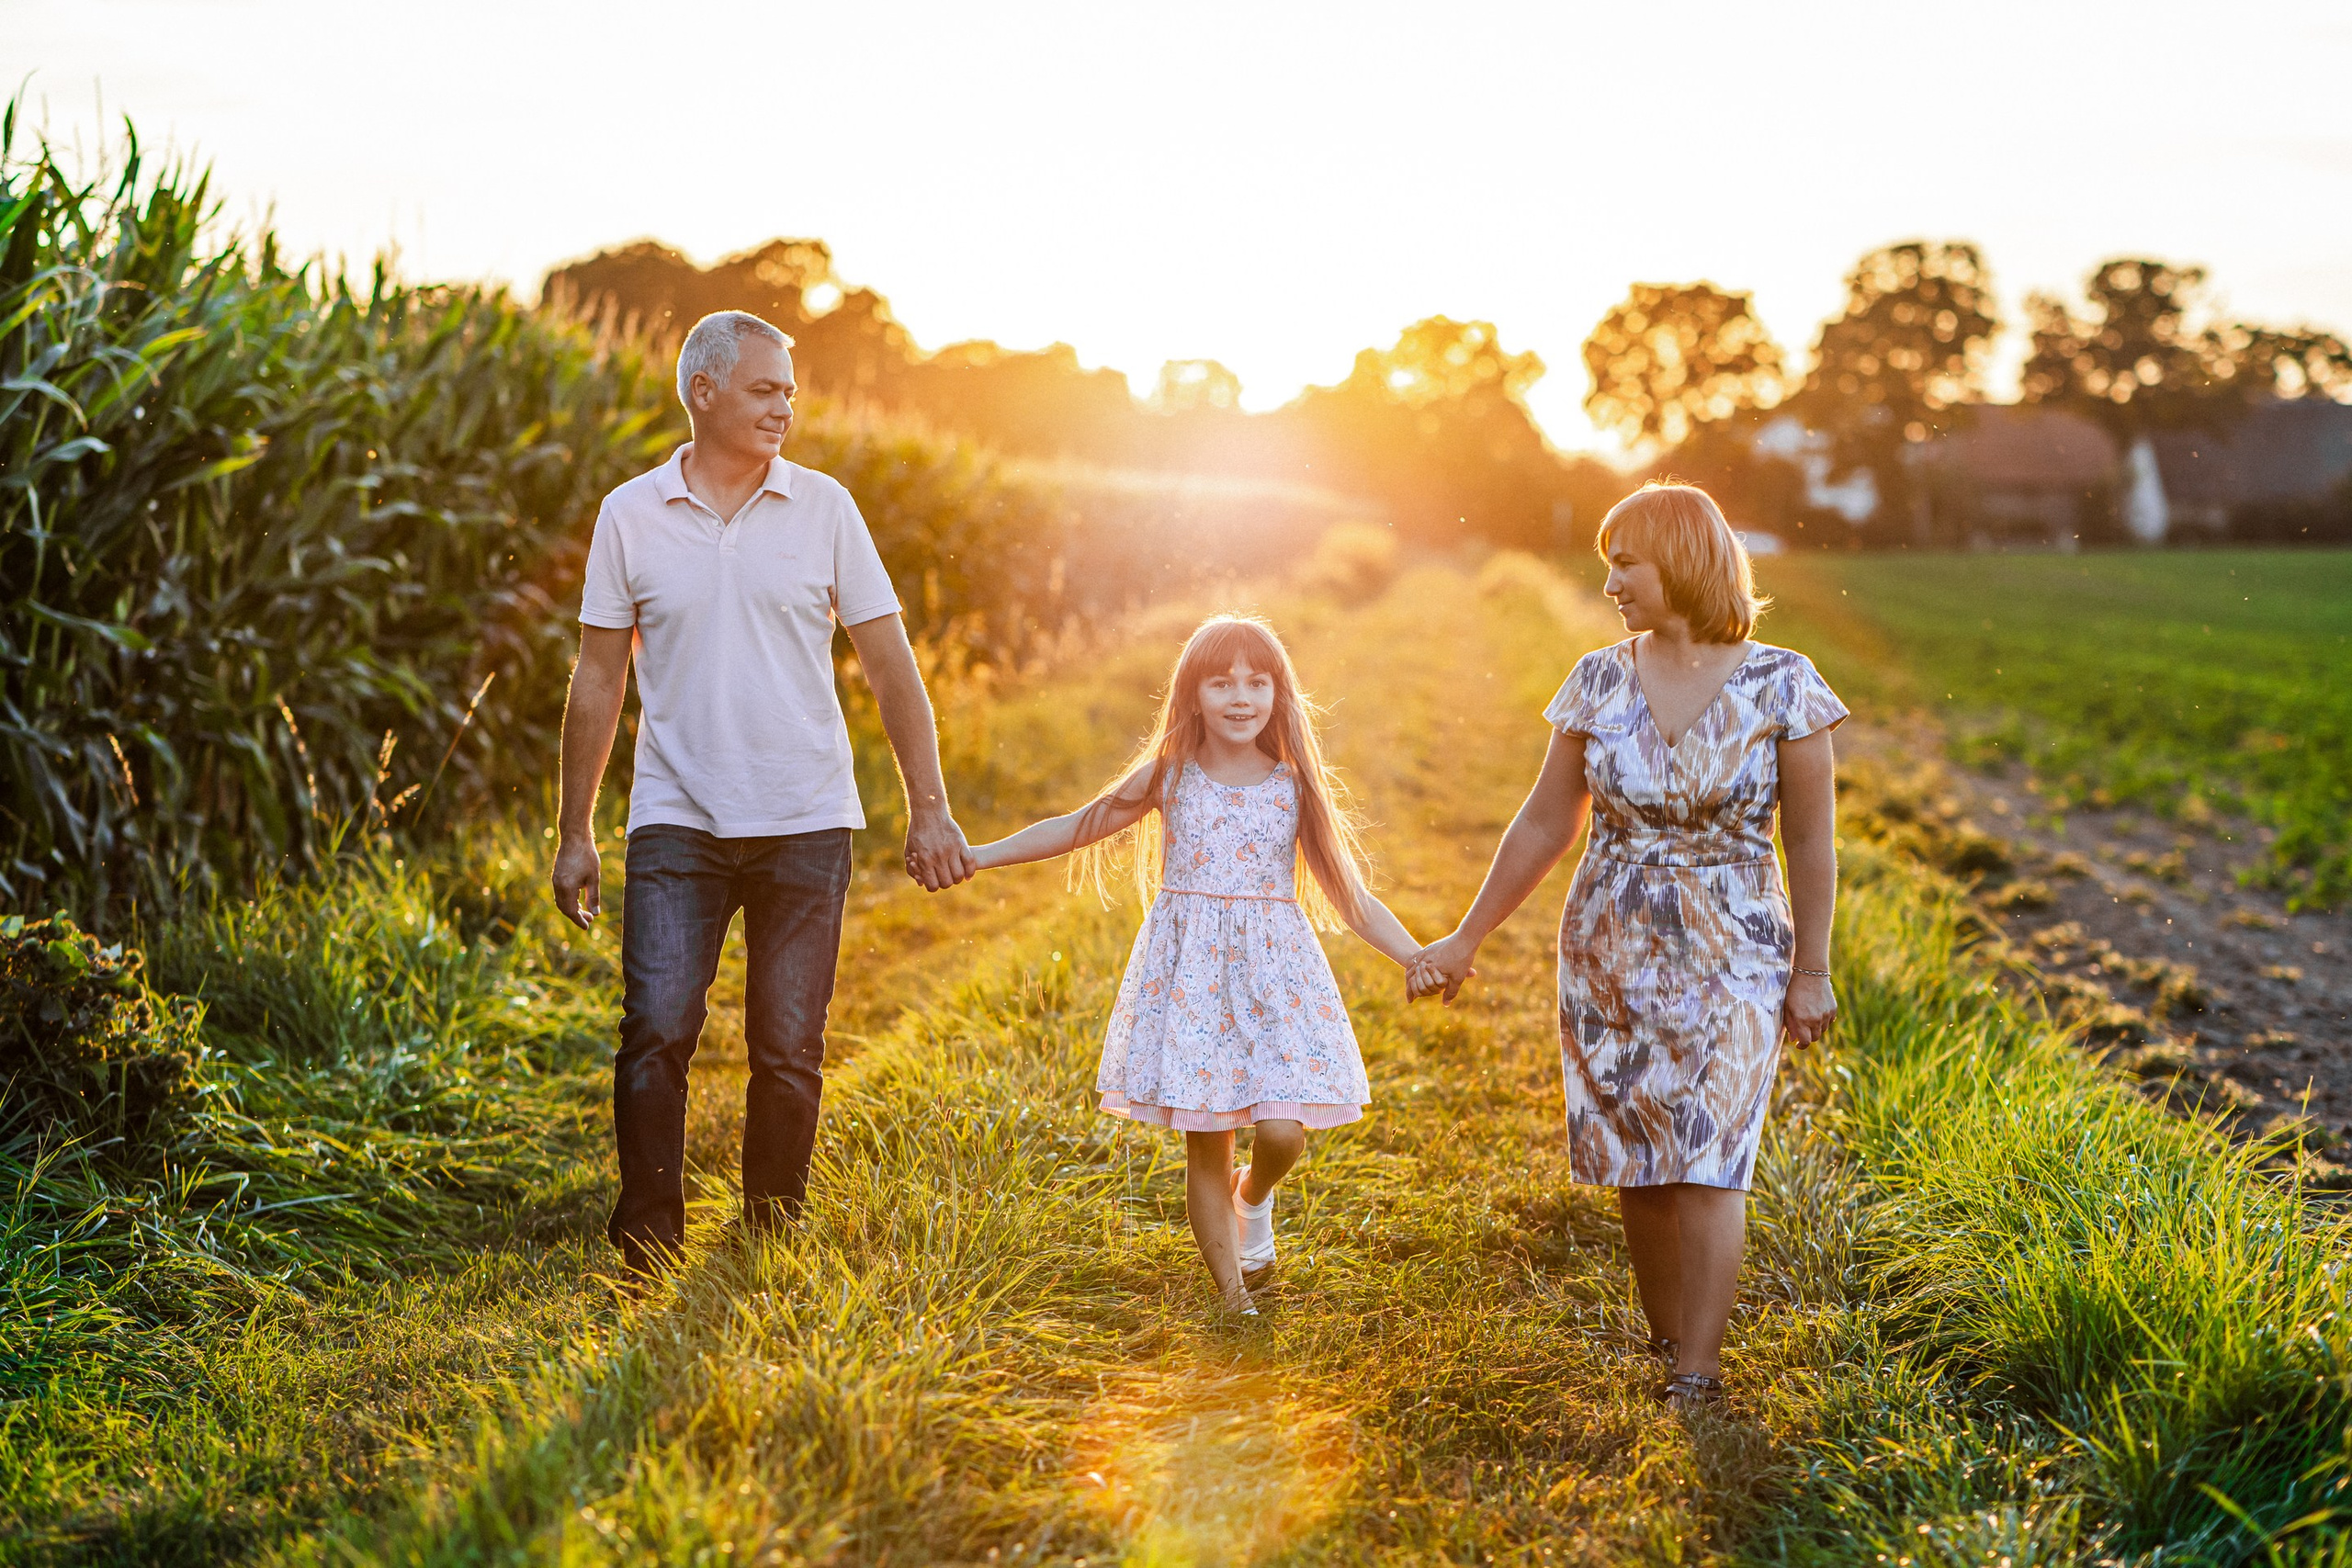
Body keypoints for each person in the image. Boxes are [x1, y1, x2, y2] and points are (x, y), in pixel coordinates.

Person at [550, 310, 978, 1278]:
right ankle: (649, 1242)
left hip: (805, 819)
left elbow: (890, 666)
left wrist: (930, 804)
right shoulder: (630, 514)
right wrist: (575, 829)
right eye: (764, 388)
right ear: (703, 392)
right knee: (656, 1031)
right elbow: (596, 681)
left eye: (789, 389)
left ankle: (770, 1235)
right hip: (675, 819)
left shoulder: (826, 508)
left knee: (788, 1047)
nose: (785, 406)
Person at [1408, 482, 1843, 1406]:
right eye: (1606, 562)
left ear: (1682, 562)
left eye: (1624, 562)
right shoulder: (1597, 681)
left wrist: (1811, 970)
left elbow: (1809, 839)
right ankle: (1664, 1338)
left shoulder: (1784, 683)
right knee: (1635, 1156)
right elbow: (1540, 823)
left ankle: (1698, 1370)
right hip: (1608, 944)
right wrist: (1467, 933)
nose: (1608, 581)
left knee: (1709, 1153)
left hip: (1737, 949)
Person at [964, 614, 1422, 1315]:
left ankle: (1255, 1196)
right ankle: (1235, 1299)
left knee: (1280, 1131)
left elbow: (1351, 898)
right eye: (1222, 682)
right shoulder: (1169, 778)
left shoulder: (1293, 786)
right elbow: (1075, 825)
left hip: (1274, 981)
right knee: (1206, 1145)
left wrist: (1417, 955)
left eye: (1257, 682)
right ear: (1193, 695)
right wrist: (981, 854)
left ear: (1279, 693)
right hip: (1191, 983)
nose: (1241, 698)